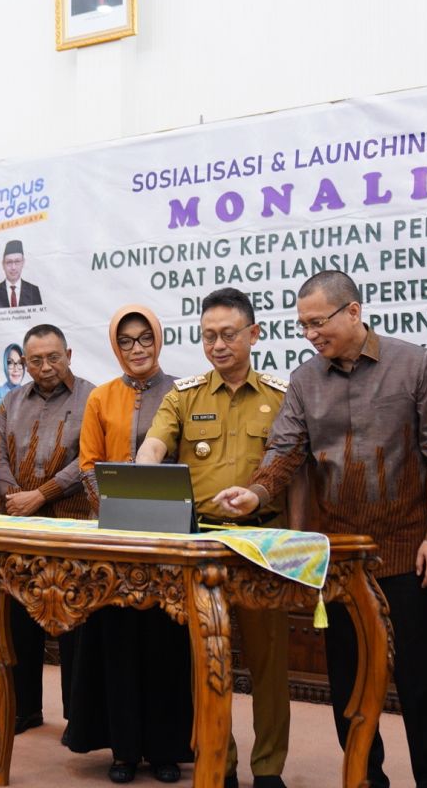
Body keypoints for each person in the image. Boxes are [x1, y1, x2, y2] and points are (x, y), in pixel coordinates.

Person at [214, 270, 427, 788]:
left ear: (353, 312)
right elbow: (284, 453)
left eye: (317, 322)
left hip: (407, 552)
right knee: (347, 684)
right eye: (303, 325)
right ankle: (364, 779)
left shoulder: (413, 364)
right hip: (340, 557)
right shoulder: (305, 381)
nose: (310, 334)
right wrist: (256, 493)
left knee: (420, 684)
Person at [135, 288, 292, 788]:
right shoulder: (183, 394)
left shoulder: (282, 396)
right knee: (207, 664)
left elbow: (297, 466)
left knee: (269, 667)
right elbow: (155, 442)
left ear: (253, 334)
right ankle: (217, 766)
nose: (218, 345)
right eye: (208, 337)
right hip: (201, 546)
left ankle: (268, 769)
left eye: (228, 335)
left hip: (262, 545)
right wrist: (145, 465)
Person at [66, 305, 192, 785]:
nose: (136, 349)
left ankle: (165, 749)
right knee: (116, 642)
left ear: (158, 340)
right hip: (114, 542)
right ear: (115, 347)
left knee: (164, 643)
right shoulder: (101, 397)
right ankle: (122, 749)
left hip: (168, 542)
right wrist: (111, 511)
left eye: (144, 339)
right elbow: (87, 465)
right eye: (126, 342)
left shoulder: (183, 391)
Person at [0, 324, 95, 738]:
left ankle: (79, 718)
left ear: (68, 353)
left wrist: (40, 496)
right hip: (19, 527)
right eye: (35, 360)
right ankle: (23, 710)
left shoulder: (93, 397)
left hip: (73, 525)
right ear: (24, 361)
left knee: (74, 621)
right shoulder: (11, 402)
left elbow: (89, 457)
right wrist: (15, 497)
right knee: (20, 620)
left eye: (53, 357)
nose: (45, 366)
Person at [0, 240, 42, 309]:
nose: (13, 267)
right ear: (3, 264)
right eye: (9, 262)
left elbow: (40, 318)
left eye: (17, 261)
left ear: (23, 262)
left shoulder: (33, 291)